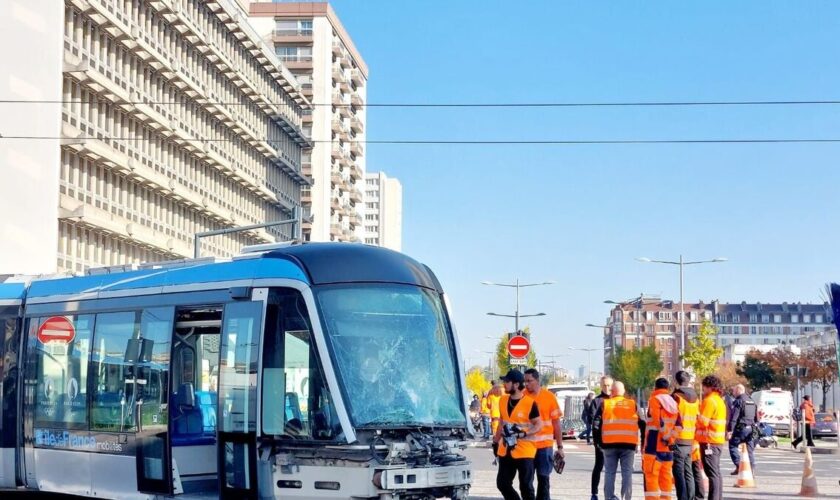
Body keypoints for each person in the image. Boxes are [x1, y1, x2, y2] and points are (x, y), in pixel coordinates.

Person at [493, 369, 543, 500]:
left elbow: (539, 424)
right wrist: (495, 441)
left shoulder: (530, 403)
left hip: (525, 451)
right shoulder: (503, 400)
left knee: (526, 487)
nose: (504, 384)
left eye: (507, 382)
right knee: (502, 483)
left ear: (516, 384)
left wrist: (524, 433)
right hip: (506, 450)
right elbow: (501, 423)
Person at [597, 381, 645, 500]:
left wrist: (598, 442)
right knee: (627, 473)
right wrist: (643, 442)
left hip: (609, 444)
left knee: (609, 472)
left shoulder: (605, 404)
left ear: (612, 392)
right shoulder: (633, 404)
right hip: (629, 445)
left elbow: (596, 424)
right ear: (623, 392)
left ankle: (609, 497)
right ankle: (626, 498)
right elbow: (643, 424)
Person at [524, 368, 565, 500]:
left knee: (543, 481)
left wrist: (560, 447)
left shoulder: (549, 397)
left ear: (537, 381)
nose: (526, 384)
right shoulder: (522, 397)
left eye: (529, 381)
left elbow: (556, 424)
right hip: (527, 446)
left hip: (544, 447)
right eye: (525, 381)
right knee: (526, 482)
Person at [643, 377, 679, 500]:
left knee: (651, 476)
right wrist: (670, 438)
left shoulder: (654, 400)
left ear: (655, 387)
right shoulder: (674, 402)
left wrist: (665, 436)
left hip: (654, 445)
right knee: (666, 477)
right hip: (668, 447)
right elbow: (680, 425)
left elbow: (658, 421)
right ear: (667, 388)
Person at [696, 375, 727, 500]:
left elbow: (703, 422)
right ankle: (717, 497)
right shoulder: (719, 400)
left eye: (704, 386)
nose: (703, 389)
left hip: (709, 441)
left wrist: (696, 416)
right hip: (717, 441)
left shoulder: (709, 401)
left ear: (708, 387)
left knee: (712, 473)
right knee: (716, 472)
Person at [671, 370, 699, 500]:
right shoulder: (696, 397)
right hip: (690, 438)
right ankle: (691, 497)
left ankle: (682, 497)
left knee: (678, 472)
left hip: (678, 438)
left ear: (676, 381)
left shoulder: (676, 397)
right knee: (689, 472)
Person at [588, 376, 614, 500]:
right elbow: (593, 421)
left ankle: (610, 493)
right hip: (601, 440)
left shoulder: (617, 400)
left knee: (612, 468)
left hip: (614, 439)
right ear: (600, 386)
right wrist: (597, 441)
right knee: (599, 465)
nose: (607, 388)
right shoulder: (596, 401)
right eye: (604, 385)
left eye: (609, 385)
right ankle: (594, 493)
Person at [726, 383, 757, 474]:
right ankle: (751, 468)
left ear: (738, 391)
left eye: (734, 391)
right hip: (751, 429)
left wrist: (730, 430)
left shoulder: (739, 401)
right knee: (749, 450)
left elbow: (734, 417)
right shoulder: (751, 401)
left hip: (741, 429)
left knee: (732, 446)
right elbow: (756, 417)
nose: (733, 393)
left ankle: (739, 465)